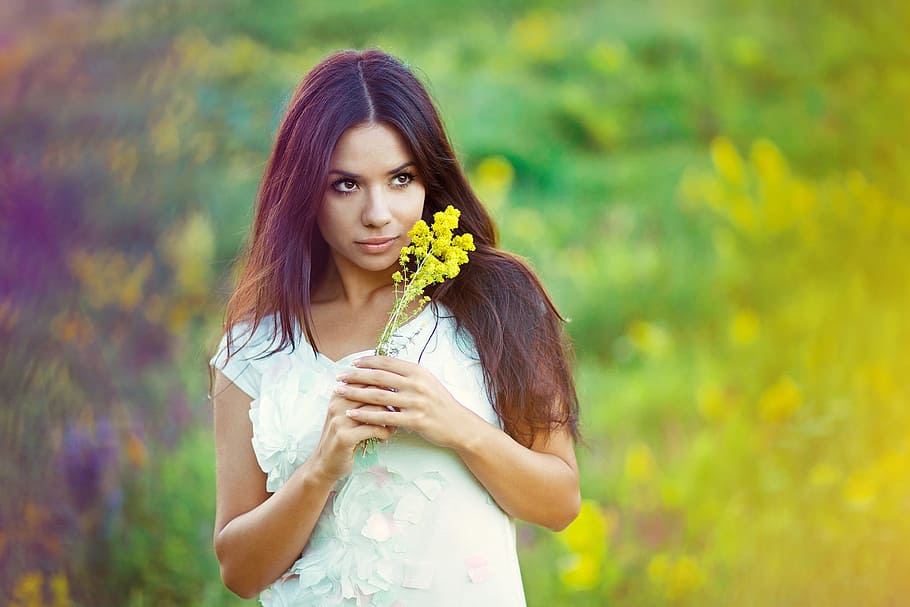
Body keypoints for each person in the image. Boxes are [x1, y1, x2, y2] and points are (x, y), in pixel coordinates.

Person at [209, 49, 580, 607]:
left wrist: (455, 424)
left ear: (431, 180)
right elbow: (239, 571)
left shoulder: (495, 301)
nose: (378, 213)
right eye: (345, 185)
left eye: (401, 179)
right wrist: (319, 470)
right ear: (304, 191)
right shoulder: (255, 347)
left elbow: (559, 503)